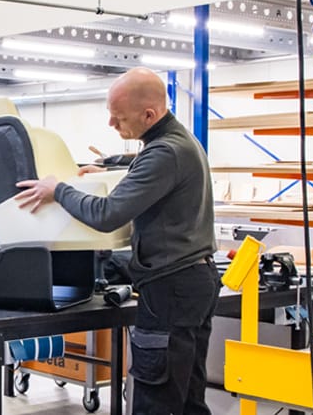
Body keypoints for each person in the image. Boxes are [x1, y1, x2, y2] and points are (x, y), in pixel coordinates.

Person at [14, 67, 219, 414]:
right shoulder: (181, 141)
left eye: (119, 117)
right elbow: (149, 169)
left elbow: (106, 214)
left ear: (149, 115)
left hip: (170, 288)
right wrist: (111, 171)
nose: (111, 124)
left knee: (157, 399)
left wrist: (58, 190)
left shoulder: (164, 153)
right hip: (193, 282)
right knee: (187, 400)